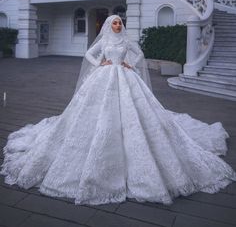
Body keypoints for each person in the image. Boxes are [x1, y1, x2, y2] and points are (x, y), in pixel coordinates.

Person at [1, 15, 236, 206]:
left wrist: (129, 64)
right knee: (93, 114)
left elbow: (139, 54)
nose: (117, 25)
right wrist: (99, 63)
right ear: (108, 25)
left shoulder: (125, 41)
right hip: (103, 77)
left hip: (125, 76)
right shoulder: (104, 41)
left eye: (119, 22)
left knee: (137, 111)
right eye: (114, 22)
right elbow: (88, 54)